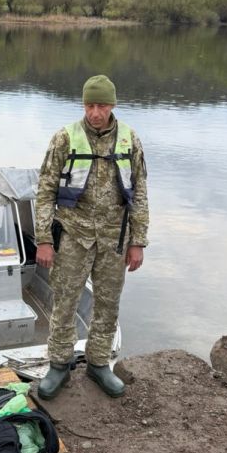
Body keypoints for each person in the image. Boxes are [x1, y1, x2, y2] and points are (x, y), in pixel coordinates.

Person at [34, 74, 148, 399]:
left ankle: (99, 364)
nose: (95, 112)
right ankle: (59, 365)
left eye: (101, 105)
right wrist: (44, 238)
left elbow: (139, 193)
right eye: (89, 105)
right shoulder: (64, 139)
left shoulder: (129, 140)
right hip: (73, 234)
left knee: (108, 303)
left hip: (115, 238)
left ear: (112, 105)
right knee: (65, 301)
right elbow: (44, 191)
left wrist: (138, 241)